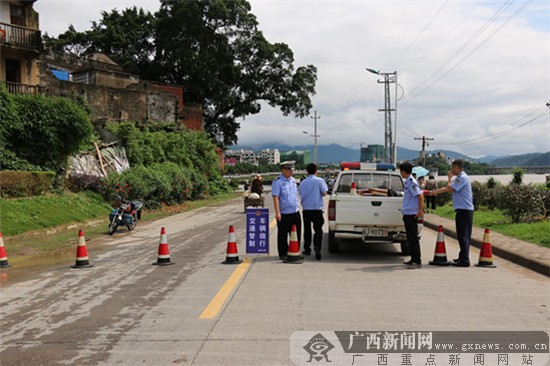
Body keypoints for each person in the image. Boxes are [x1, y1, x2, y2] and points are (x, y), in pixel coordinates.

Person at [428, 159, 473, 267]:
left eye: (453, 167)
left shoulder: (462, 178)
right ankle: (462, 257)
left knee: (464, 236)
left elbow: (448, 189)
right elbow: (450, 188)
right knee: (461, 235)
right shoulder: (459, 178)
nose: (451, 170)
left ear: (457, 167)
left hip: (465, 210)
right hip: (462, 210)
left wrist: (435, 191)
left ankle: (465, 260)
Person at [272, 161, 302, 260]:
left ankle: (295, 251)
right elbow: (275, 197)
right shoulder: (278, 182)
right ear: (283, 170)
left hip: (295, 211)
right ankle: (283, 254)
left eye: (292, 170)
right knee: (283, 235)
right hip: (284, 213)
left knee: (296, 234)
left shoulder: (293, 180)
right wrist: (277, 213)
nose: (291, 172)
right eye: (289, 170)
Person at [299, 163, 328, 260]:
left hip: (306, 209)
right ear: (316, 171)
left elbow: (300, 193)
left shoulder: (303, 182)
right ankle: (317, 247)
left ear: (306, 171)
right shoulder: (319, 180)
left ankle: (307, 248)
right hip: (317, 209)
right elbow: (324, 193)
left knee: (307, 230)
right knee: (318, 230)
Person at [399, 161, 424, 269]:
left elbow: (420, 196)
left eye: (401, 171)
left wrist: (421, 211)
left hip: (412, 214)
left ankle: (417, 260)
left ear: (403, 171)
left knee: (413, 238)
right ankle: (413, 258)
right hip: (408, 213)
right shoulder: (408, 181)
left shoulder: (412, 182)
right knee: (410, 237)